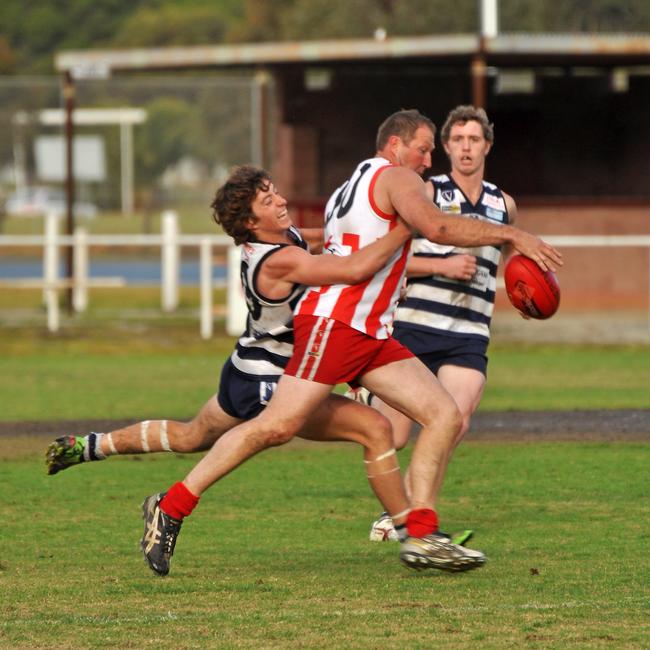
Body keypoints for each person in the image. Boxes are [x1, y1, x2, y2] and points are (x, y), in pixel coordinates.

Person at [139, 109, 562, 577]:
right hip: (337, 326)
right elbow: (438, 229)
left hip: (373, 334)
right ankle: (171, 506)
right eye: (423, 148)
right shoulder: (396, 176)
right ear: (396, 145)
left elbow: (361, 240)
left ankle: (421, 534)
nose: (427, 161)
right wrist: (513, 234)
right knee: (276, 428)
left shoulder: (353, 183)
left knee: (439, 415)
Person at [47, 164, 467, 574]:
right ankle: (412, 534)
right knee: (372, 429)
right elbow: (353, 268)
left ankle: (88, 446)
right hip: (271, 376)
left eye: (276, 191)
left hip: (243, 367)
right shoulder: (277, 260)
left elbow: (335, 240)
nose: (281, 201)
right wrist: (405, 226)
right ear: (251, 221)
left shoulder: (286, 239)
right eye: (269, 200)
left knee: (190, 435)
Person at [356, 105, 521, 542]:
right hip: (416, 326)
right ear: (446, 147)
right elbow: (391, 257)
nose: (466, 147)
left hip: (469, 332)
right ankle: (367, 397)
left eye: (474, 139)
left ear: (487, 145)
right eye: (458, 140)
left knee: (456, 420)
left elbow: (508, 265)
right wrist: (441, 267)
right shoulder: (425, 191)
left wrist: (526, 295)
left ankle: (413, 516)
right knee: (395, 434)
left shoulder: (503, 205)